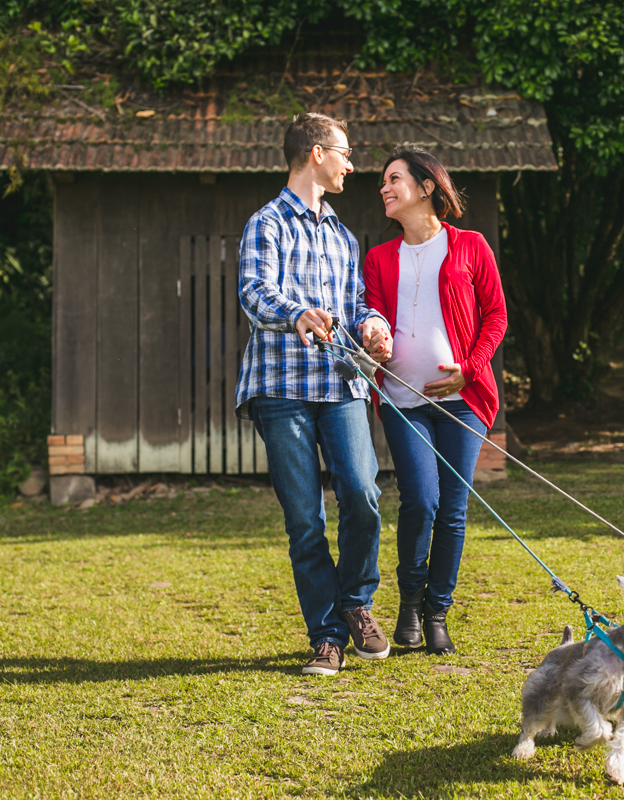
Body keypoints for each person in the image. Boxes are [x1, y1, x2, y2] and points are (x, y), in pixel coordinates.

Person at [235, 112, 394, 677]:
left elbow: (355, 307)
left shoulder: (344, 236)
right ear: (316, 153)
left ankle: (356, 602)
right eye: (345, 152)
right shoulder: (268, 224)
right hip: (280, 390)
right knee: (305, 519)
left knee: (362, 493)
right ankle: (325, 637)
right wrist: (295, 311)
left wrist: (373, 326)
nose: (352, 163)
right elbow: (254, 293)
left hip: (341, 384)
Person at [363, 146, 507, 655]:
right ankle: (408, 603)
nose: (384, 187)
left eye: (394, 179)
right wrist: (373, 337)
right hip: (403, 400)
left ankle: (437, 612)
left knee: (453, 508)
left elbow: (496, 316)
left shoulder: (470, 246)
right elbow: (374, 315)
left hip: (464, 402)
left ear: (427, 187)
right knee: (420, 501)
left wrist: (469, 370)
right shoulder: (378, 258)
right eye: (383, 181)